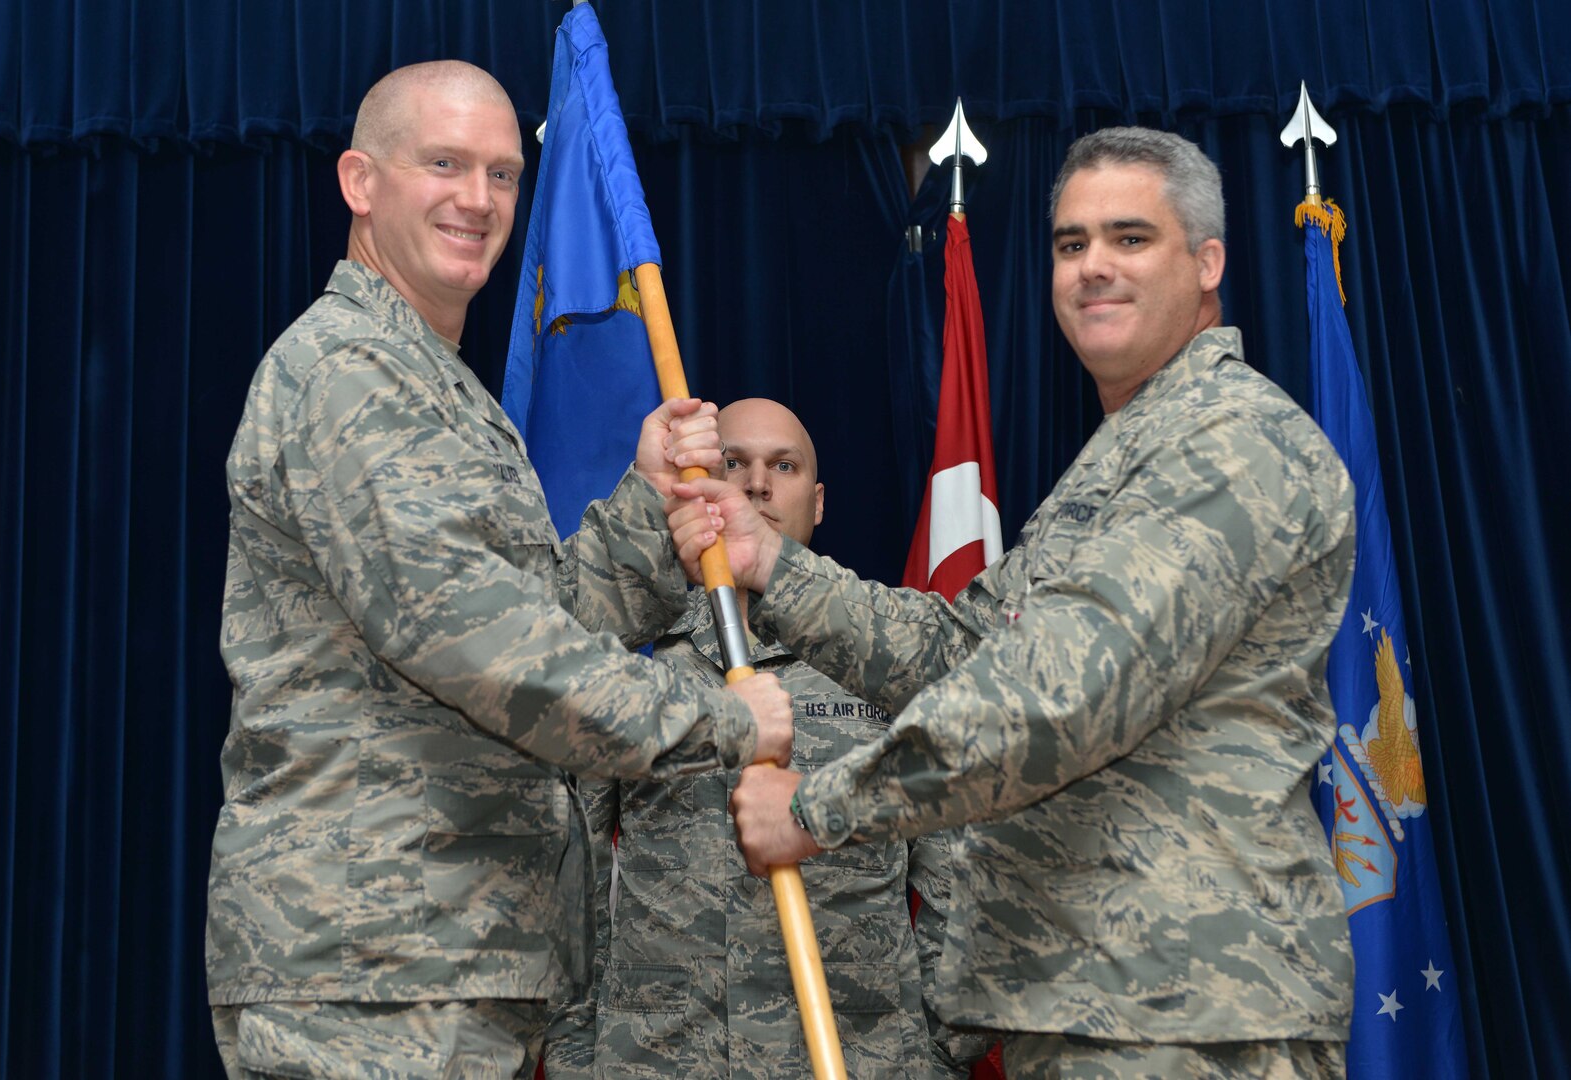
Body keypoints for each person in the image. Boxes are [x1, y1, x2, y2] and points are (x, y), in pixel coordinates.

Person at [674, 128, 1357, 1077]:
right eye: (1072, 243)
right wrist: (773, 565)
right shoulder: (1126, 453)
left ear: (1208, 263)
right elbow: (962, 647)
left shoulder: (1229, 443)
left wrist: (819, 808)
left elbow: (1058, 697)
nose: (1093, 267)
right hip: (1094, 1002)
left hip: (1191, 1013)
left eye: (1129, 238)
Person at [205, 61, 791, 1080]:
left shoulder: (435, 386)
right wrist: (722, 722)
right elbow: (480, 649)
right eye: (444, 164)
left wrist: (645, 509)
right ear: (359, 182)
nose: (478, 199)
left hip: (453, 956)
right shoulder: (348, 373)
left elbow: (538, 613)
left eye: (503, 173)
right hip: (373, 964)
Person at [543, 399, 989, 1079]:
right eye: (733, 463)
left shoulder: (886, 666)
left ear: (818, 501)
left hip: (853, 1058)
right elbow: (571, 871)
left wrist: (931, 1056)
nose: (756, 484)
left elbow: (963, 877)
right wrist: (581, 1056)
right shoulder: (636, 664)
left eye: (783, 466)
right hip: (665, 1059)